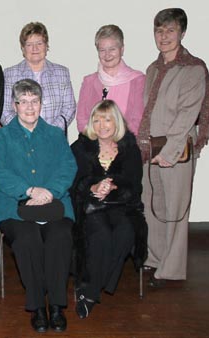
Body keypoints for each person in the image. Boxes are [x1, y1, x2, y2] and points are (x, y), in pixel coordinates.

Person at [0, 79, 76, 333]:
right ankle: (38, 306)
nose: (29, 107)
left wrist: (49, 192)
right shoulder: (1, 137)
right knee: (27, 239)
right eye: (24, 102)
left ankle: (58, 306)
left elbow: (68, 167)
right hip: (14, 207)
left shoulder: (55, 134)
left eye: (34, 101)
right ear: (15, 105)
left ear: (41, 104)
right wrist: (28, 190)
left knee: (60, 236)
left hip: (54, 204)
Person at [137, 8, 209, 287]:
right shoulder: (152, 68)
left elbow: (187, 116)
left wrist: (169, 154)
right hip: (150, 150)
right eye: (159, 30)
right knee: (152, 207)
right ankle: (154, 259)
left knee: (175, 211)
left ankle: (170, 271)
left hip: (176, 152)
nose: (164, 36)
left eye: (170, 30)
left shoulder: (193, 68)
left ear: (182, 32)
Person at [70, 99, 147, 319]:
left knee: (126, 233)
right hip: (90, 206)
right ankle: (92, 292)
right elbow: (73, 183)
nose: (102, 125)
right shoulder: (80, 147)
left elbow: (134, 185)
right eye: (97, 120)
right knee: (101, 234)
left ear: (117, 122)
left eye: (107, 119)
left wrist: (112, 187)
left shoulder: (129, 148)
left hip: (122, 206)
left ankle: (89, 289)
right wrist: (93, 187)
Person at [0, 22, 75, 131]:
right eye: (29, 44)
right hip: (20, 141)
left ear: (46, 46)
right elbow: (4, 111)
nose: (35, 48)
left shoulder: (62, 73)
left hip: (54, 140)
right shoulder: (9, 74)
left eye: (39, 43)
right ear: (23, 48)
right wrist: (24, 132)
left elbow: (69, 108)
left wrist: (50, 132)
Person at [76, 25, 145, 135]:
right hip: (93, 145)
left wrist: (114, 142)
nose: (107, 55)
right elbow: (81, 119)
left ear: (122, 50)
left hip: (125, 145)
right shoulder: (88, 81)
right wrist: (97, 140)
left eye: (112, 49)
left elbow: (137, 120)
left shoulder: (137, 80)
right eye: (102, 50)